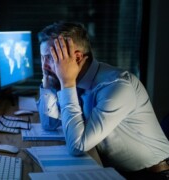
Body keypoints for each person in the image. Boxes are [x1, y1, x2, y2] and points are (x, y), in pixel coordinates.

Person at [37, 21, 169, 179]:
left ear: (77, 58)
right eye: (42, 58)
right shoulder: (76, 81)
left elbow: (77, 146)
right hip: (114, 169)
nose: (44, 65)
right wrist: (47, 79)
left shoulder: (116, 85)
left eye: (50, 58)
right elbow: (49, 124)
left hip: (153, 174)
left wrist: (67, 84)